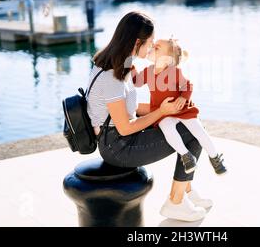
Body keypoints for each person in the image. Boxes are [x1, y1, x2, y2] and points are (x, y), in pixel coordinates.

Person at [86, 11, 212, 222]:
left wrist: (172, 109)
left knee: (190, 122)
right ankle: (176, 201)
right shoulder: (112, 76)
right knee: (192, 133)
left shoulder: (118, 64)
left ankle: (185, 191)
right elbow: (125, 127)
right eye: (151, 42)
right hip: (117, 147)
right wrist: (162, 112)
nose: (153, 46)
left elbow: (127, 109)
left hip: (116, 138)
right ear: (137, 42)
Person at [131, 38, 227, 175]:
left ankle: (215, 157)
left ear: (167, 58)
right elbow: (136, 82)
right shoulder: (148, 71)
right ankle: (186, 156)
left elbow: (187, 85)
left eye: (156, 48)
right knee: (167, 129)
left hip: (181, 109)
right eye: (153, 46)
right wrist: (130, 64)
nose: (151, 48)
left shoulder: (174, 72)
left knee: (198, 130)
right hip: (163, 112)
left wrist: (183, 97)